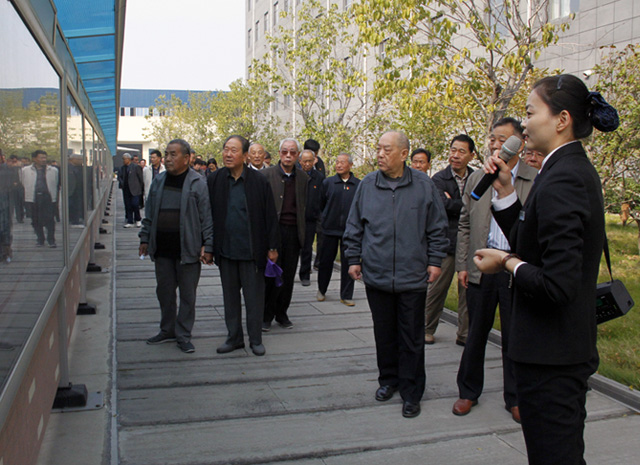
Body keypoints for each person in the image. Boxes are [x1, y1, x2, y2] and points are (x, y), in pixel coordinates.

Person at [474, 74, 618, 465]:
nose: (523, 125)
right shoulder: (561, 169)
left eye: (530, 112)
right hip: (554, 351)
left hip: (551, 357)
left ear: (561, 120)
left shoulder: (565, 177)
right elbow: (535, 242)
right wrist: (505, 192)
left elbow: (557, 284)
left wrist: (506, 261)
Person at [343, 131, 448, 418]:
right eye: (378, 148)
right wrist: (353, 258)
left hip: (412, 275)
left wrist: (435, 260)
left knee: (412, 337)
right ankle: (388, 380)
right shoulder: (367, 185)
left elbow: (437, 227)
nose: (379, 154)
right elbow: (354, 225)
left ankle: (412, 391)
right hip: (377, 274)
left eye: (386, 149)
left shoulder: (423, 185)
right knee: (384, 334)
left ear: (403, 154)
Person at [453, 117, 536, 423]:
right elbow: (464, 224)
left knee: (515, 337)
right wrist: (463, 264)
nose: (495, 145)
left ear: (519, 144)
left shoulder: (534, 177)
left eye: (503, 139)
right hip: (482, 266)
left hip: (515, 269)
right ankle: (468, 391)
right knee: (475, 333)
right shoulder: (478, 178)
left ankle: (515, 397)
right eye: (492, 139)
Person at [139, 139, 213, 354]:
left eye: (173, 154)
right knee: (164, 292)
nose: (168, 159)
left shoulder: (198, 182)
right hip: (162, 248)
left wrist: (208, 245)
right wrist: (145, 238)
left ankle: (183, 334)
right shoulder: (159, 181)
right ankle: (167, 329)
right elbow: (149, 213)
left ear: (187, 158)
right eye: (167, 154)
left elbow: (207, 217)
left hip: (188, 249)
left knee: (188, 295)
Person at [208, 135, 279, 356]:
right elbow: (208, 215)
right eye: (225, 149)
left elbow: (270, 216)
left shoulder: (258, 181)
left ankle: (255, 339)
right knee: (230, 299)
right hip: (226, 251)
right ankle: (234, 338)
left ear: (245, 155)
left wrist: (272, 247)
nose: (228, 154)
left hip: (252, 252)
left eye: (234, 150)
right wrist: (208, 247)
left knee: (254, 300)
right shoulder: (215, 180)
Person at [424, 135, 475, 345]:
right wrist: (466, 204)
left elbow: (479, 207)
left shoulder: (476, 177)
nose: (455, 155)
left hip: (469, 243)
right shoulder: (439, 179)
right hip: (446, 242)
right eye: (453, 150)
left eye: (461, 151)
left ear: (471, 155)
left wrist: (453, 203)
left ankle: (464, 334)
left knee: (467, 291)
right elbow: (441, 205)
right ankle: (426, 328)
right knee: (436, 289)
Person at [262, 138, 308, 331]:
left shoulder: (303, 178)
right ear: (279, 153)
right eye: (284, 152)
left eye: (292, 152)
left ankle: (282, 313)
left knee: (288, 276)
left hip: (293, 232)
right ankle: (266, 315)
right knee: (270, 275)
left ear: (297, 155)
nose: (288, 155)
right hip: (273, 231)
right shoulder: (266, 175)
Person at [316, 153, 360, 305]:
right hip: (329, 229)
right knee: (325, 261)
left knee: (349, 262)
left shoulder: (358, 185)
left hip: (350, 231)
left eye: (342, 162)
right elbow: (320, 204)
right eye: (337, 162)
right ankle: (321, 289)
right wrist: (325, 219)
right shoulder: (328, 183)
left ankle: (346, 295)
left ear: (350, 165)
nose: (339, 165)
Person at [298, 149, 324, 286]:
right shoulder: (295, 175)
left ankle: (305, 274)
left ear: (314, 161)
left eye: (310, 161)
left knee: (307, 248)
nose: (307, 164)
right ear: (300, 161)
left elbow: (322, 198)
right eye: (304, 161)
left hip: (310, 218)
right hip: (295, 217)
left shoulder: (319, 178)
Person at [22, 150, 59, 247]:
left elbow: (56, 182)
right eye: (41, 158)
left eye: (45, 157)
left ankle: (51, 240)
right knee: (35, 219)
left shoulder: (53, 170)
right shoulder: (25, 170)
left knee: (50, 219)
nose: (43, 160)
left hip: (48, 197)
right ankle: (40, 239)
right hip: (33, 197)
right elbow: (22, 182)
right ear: (34, 159)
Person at [118, 153, 143, 228]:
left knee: (135, 204)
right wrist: (122, 183)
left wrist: (141, 189)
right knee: (128, 205)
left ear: (128, 159)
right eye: (123, 159)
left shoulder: (136, 167)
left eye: (124, 159)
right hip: (126, 189)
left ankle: (138, 219)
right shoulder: (122, 168)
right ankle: (130, 221)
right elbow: (119, 177)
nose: (123, 161)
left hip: (135, 189)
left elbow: (140, 178)